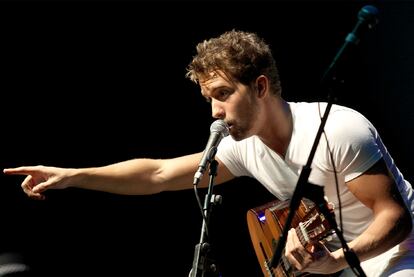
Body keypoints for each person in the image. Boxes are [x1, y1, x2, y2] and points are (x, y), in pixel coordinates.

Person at [3, 30, 414, 277]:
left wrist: (337, 259)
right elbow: (160, 173)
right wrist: (76, 175)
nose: (215, 111)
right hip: (334, 260)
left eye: (222, 94)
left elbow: (395, 219)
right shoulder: (242, 147)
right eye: (208, 98)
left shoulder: (339, 128)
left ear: (260, 87)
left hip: (398, 255)